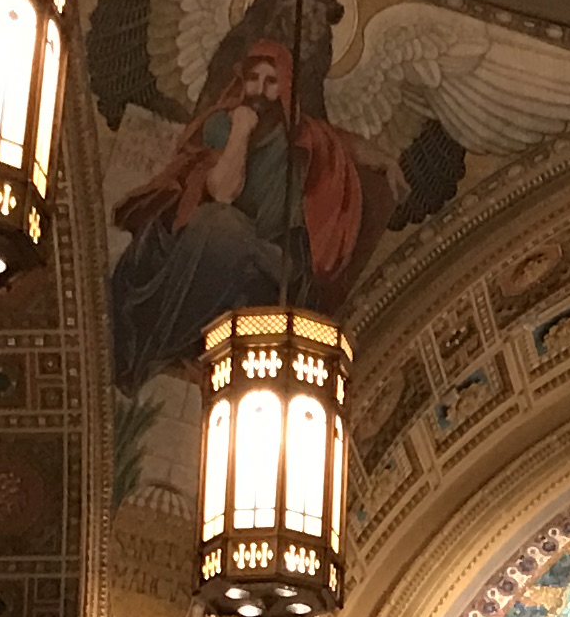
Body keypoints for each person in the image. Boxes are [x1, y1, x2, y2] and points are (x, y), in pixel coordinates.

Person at [105, 36, 372, 383]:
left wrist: (386, 162)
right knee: (213, 225)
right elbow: (222, 191)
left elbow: (347, 143)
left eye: (271, 81)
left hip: (281, 258)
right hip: (221, 238)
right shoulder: (223, 124)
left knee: (221, 228)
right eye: (253, 78)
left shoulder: (308, 136)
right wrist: (241, 133)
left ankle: (175, 346)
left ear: (287, 85)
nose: (260, 90)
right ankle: (169, 347)